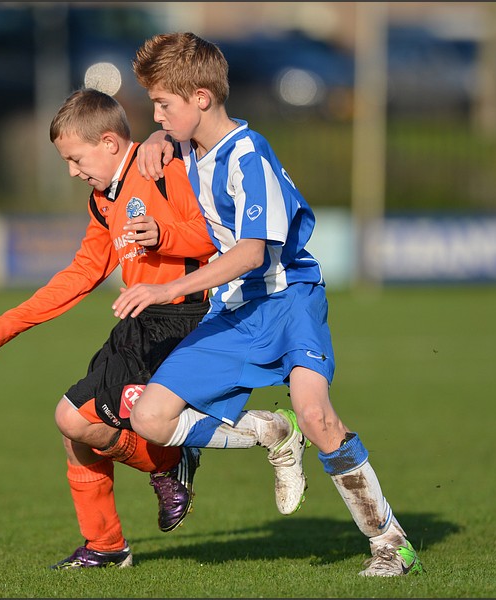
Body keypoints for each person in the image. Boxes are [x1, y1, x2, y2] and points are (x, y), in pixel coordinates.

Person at [111, 32, 424, 577]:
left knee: (317, 413)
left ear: (202, 98)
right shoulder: (186, 147)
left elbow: (253, 253)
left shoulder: (247, 154)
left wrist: (166, 289)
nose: (156, 113)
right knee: (150, 417)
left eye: (164, 103)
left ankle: (390, 544)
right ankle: (267, 431)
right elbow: (168, 151)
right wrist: (159, 141)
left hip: (288, 298)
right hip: (235, 311)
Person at [0, 88, 218, 569]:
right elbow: (81, 274)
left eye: (75, 158)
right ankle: (106, 546)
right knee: (75, 427)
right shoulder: (103, 201)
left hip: (182, 318)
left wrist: (164, 234)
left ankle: (168, 462)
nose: (72, 170)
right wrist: (8, 324)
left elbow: (218, 234)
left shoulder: (162, 168)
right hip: (138, 322)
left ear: (109, 143)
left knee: (74, 418)